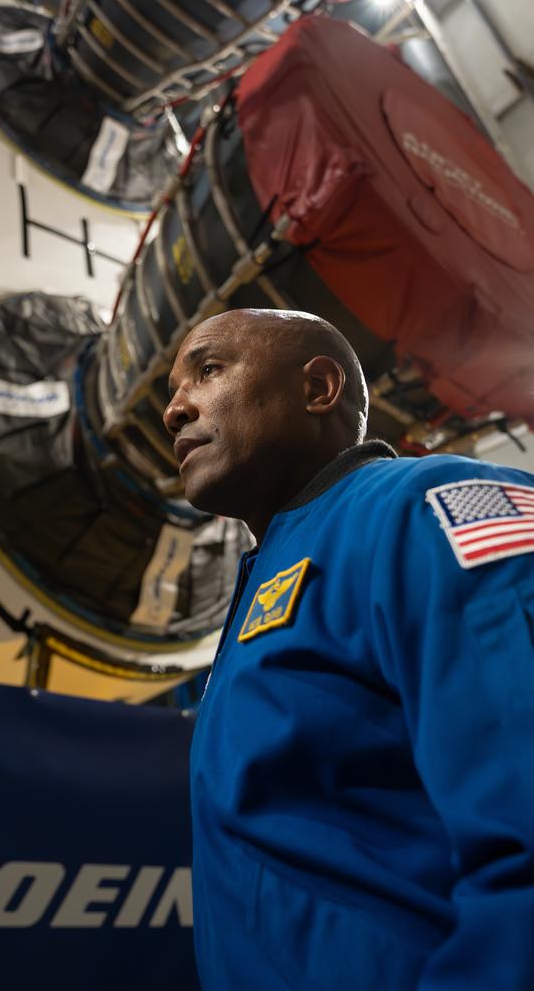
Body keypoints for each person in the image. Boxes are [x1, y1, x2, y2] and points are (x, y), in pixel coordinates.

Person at [163, 307, 534, 991]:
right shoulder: (261, 587)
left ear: (318, 388)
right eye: (172, 387)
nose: (173, 409)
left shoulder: (430, 505)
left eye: (207, 370)